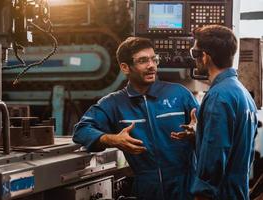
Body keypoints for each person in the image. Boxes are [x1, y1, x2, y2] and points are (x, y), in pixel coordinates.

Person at [72, 37, 199, 200]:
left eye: (154, 59)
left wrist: (197, 132)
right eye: (143, 61)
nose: (151, 65)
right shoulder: (114, 103)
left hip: (186, 188)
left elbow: (210, 132)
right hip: (146, 189)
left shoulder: (179, 94)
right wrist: (111, 139)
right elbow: (81, 131)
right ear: (125, 67)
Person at [172, 25, 258, 200]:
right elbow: (240, 148)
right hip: (238, 192)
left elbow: (215, 157)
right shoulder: (242, 93)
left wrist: (202, 194)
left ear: (205, 57)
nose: (195, 59)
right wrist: (200, 134)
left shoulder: (218, 97)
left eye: (195, 54)